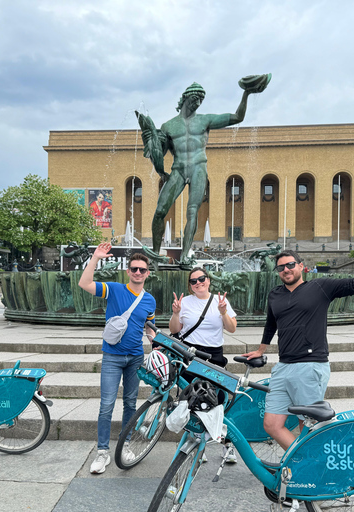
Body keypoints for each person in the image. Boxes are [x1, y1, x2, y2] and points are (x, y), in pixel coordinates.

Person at [242, 231, 354, 450]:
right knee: (272, 425)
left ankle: (313, 470)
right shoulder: (275, 294)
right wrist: (260, 349)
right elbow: (270, 324)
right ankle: (304, 462)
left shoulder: (320, 287)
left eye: (290, 265)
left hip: (310, 367)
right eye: (281, 267)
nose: (286, 270)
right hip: (283, 367)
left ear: (301, 266)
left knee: (309, 426)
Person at [137, 75, 269, 264]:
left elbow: (237, 117)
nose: (198, 102)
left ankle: (184, 255)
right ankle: (156, 254)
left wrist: (246, 93)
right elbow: (159, 152)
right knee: (159, 211)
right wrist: (151, 141)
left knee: (192, 210)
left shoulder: (205, 120)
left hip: (199, 167)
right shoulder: (168, 126)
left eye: (201, 99)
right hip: (178, 169)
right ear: (185, 98)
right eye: (195, 98)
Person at [78, 242, 156, 474]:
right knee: (106, 405)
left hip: (135, 357)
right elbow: (84, 283)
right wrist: (96, 257)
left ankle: (125, 446)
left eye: (142, 270)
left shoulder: (149, 299)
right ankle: (103, 452)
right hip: (112, 356)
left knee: (131, 404)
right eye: (134, 269)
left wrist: (156, 343)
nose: (138, 273)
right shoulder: (113, 289)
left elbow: (149, 327)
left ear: (147, 273)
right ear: (128, 271)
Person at [170, 267, 239, 462]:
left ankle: (227, 445)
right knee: (191, 400)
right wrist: (176, 313)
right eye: (194, 281)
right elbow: (175, 329)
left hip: (214, 355)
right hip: (190, 354)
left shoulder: (220, 301)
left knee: (218, 401)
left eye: (202, 279)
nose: (198, 283)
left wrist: (223, 312)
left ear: (208, 280)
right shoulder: (184, 302)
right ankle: (197, 445)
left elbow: (232, 328)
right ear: (190, 286)